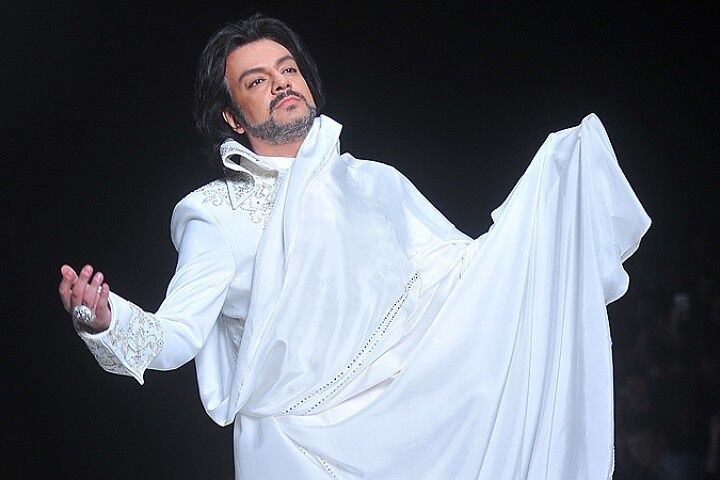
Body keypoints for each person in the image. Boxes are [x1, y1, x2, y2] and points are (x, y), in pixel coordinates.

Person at [58, 14, 651, 479]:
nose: (281, 83)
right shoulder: (214, 213)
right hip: (294, 450)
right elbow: (176, 335)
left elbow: (461, 281)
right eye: (256, 81)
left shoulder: (374, 183)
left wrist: (548, 210)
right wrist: (106, 322)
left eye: (287, 69)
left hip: (406, 435)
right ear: (232, 118)